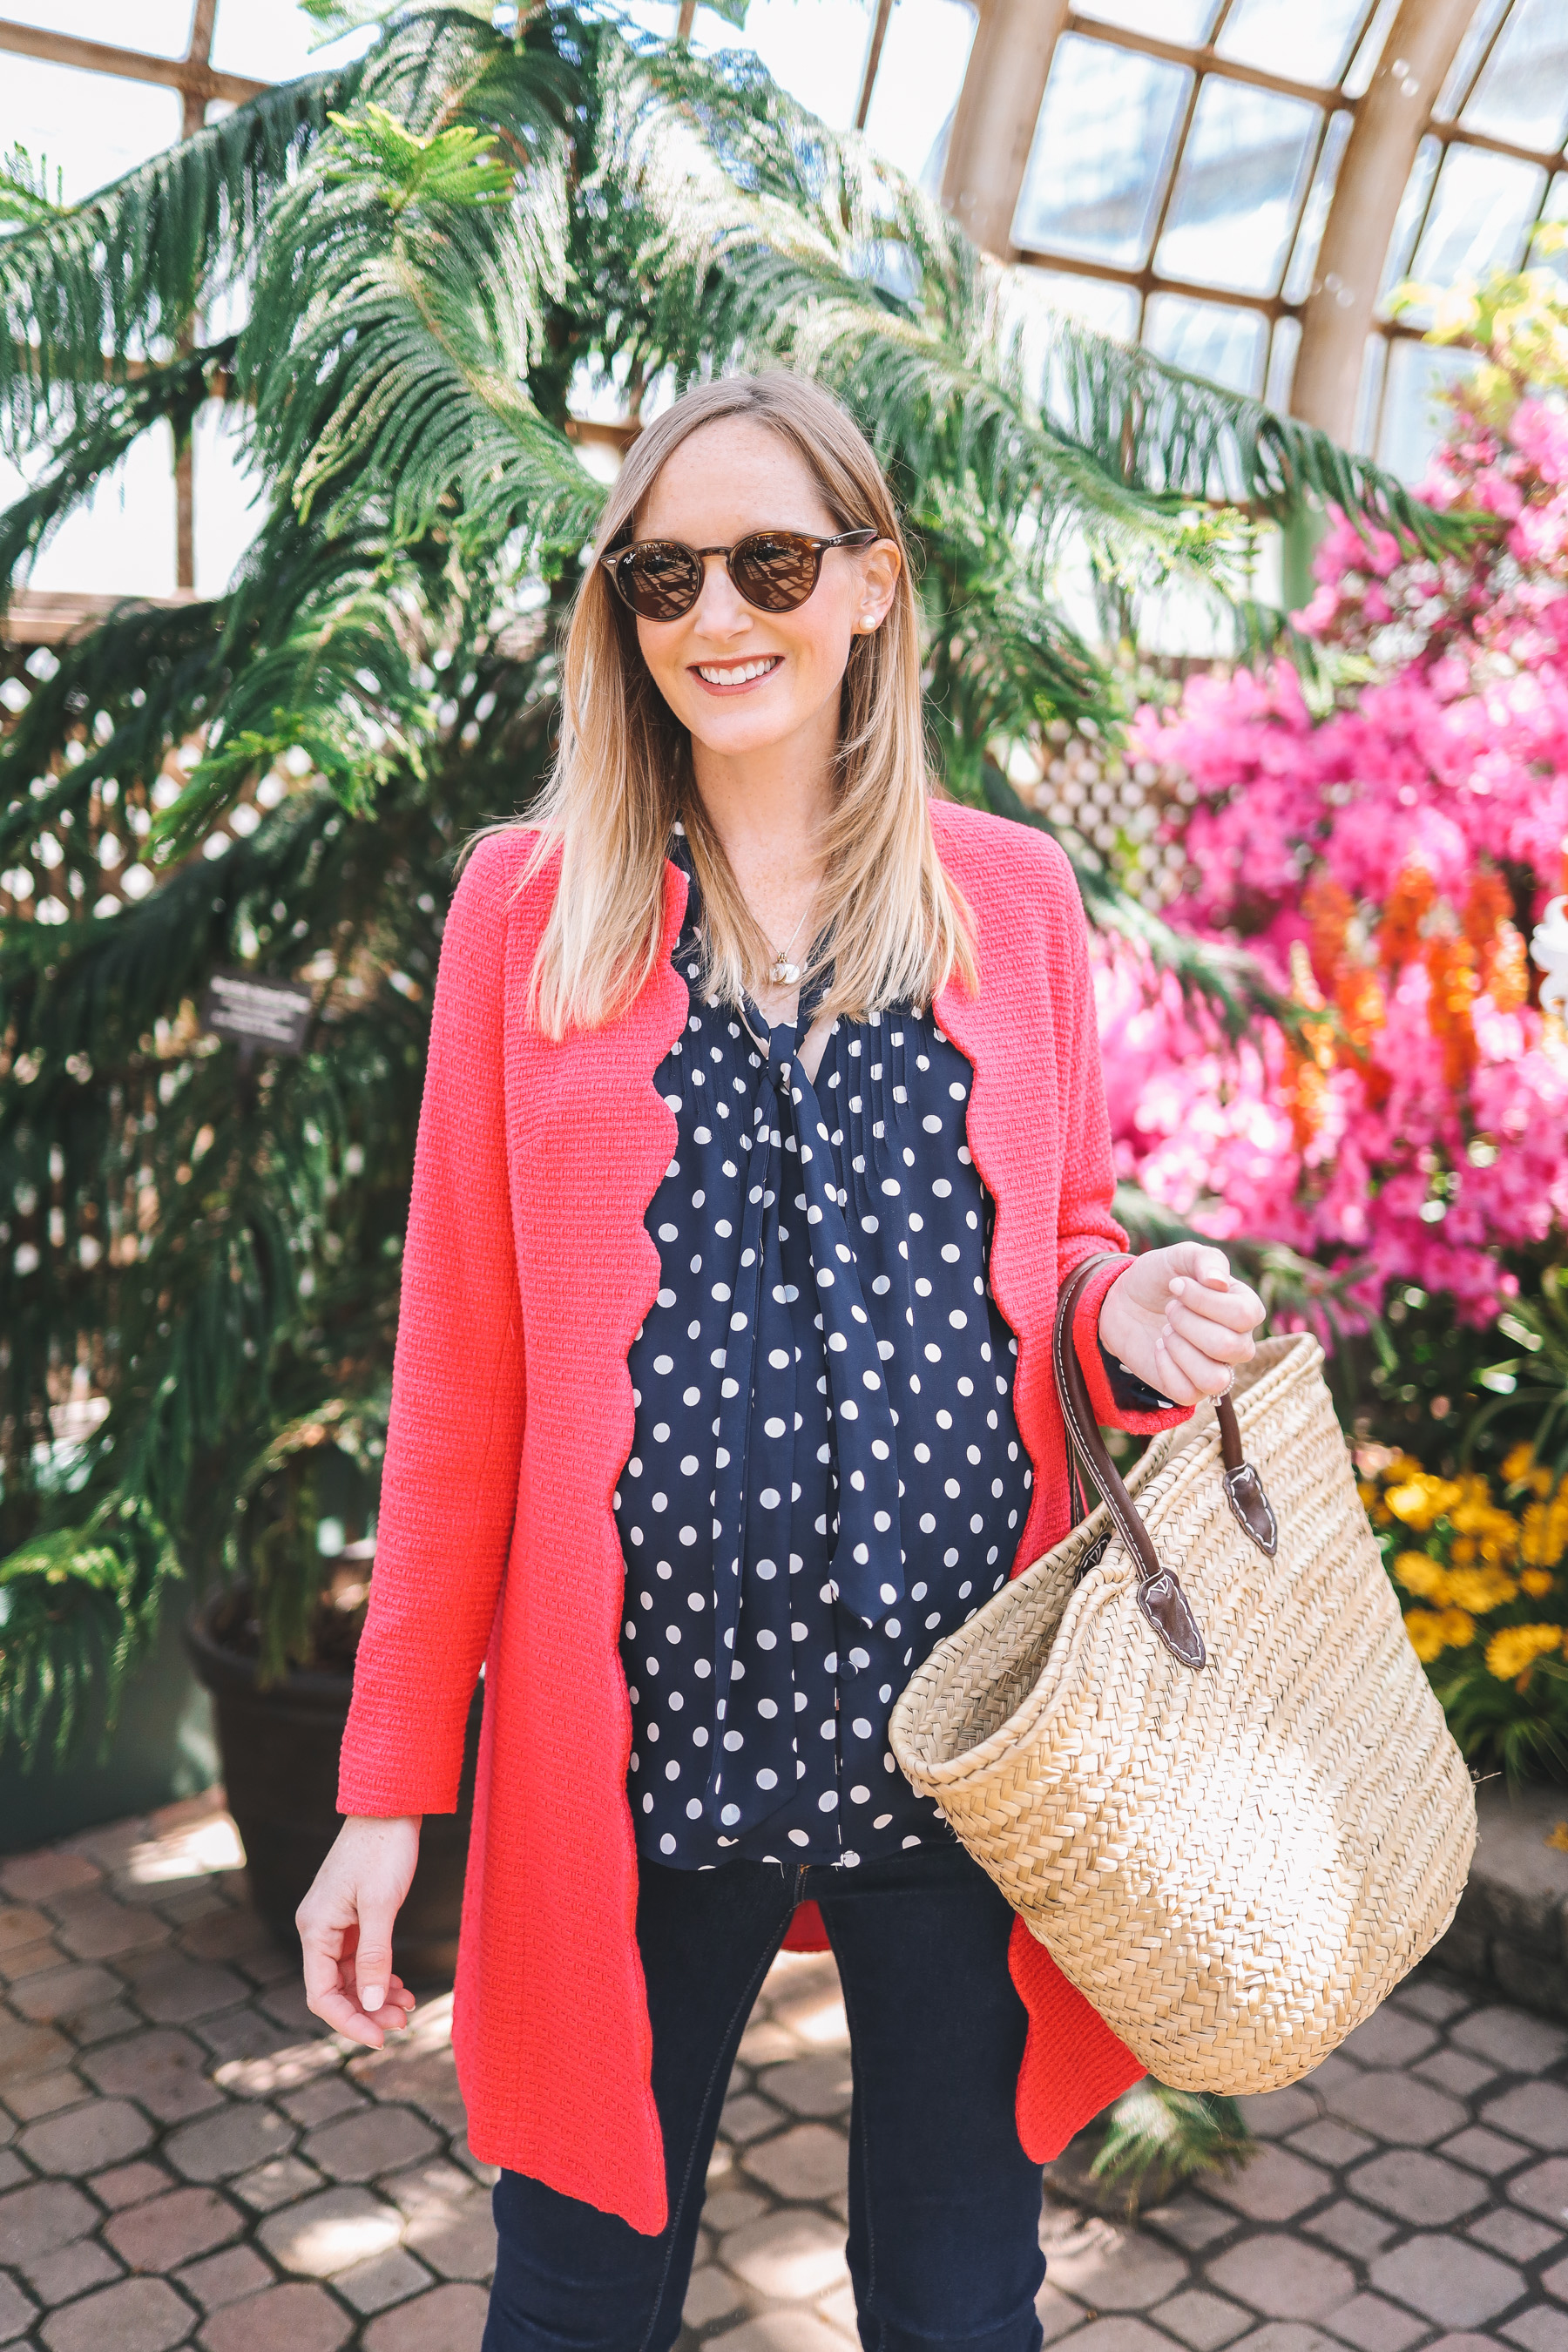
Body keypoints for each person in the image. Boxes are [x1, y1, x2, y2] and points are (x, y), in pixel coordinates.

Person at [296, 371, 1266, 2352]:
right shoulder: (529, 911)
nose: (715, 616)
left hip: (968, 1740)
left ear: (875, 588)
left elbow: (1061, 1242)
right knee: (575, 2298)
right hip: (634, 1752)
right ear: (620, 615)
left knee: (960, 2298)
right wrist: (387, 1787)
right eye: (663, 574)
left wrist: (1129, 1311)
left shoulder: (1012, 896)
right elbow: (460, 1378)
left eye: (769, 561)